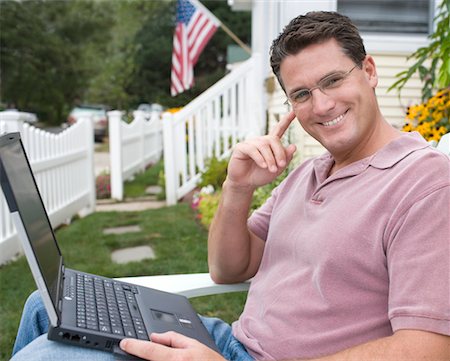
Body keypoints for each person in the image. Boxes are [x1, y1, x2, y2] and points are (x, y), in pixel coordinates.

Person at [11, 11, 450, 361]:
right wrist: (237, 186)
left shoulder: (425, 184)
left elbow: (428, 349)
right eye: (301, 94)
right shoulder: (308, 172)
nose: (322, 105)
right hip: (227, 342)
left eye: (333, 80)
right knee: (43, 305)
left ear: (368, 71)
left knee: (49, 353)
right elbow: (229, 269)